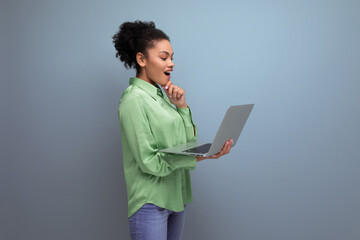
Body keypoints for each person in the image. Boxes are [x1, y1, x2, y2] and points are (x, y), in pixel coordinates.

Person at [112, 20, 233, 240]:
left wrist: (182, 107)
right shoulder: (133, 100)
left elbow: (187, 144)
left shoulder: (164, 98)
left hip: (176, 197)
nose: (171, 63)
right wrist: (205, 156)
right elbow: (149, 161)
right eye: (164, 57)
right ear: (141, 59)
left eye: (172, 57)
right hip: (150, 203)